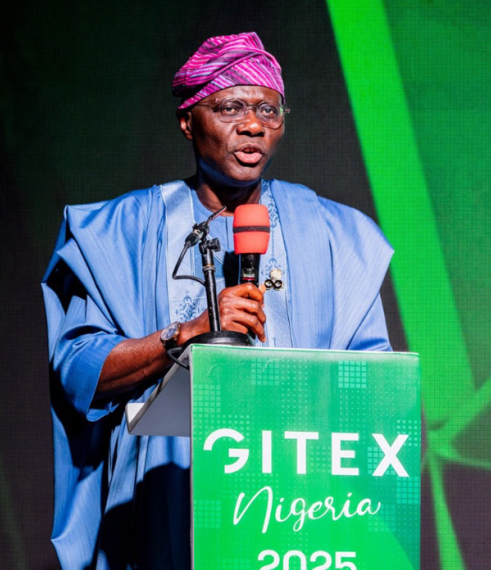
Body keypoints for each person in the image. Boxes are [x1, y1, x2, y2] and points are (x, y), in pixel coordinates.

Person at [42, 32, 393, 570]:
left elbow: (376, 387)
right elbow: (77, 371)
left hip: (295, 508)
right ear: (188, 120)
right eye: (229, 107)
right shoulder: (119, 231)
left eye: (267, 110)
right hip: (166, 503)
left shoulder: (336, 234)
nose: (252, 124)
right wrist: (186, 335)